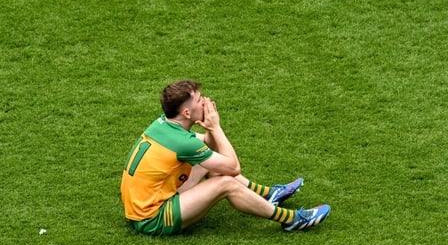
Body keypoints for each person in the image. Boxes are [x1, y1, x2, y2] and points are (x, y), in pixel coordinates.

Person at [120, 80, 330, 236]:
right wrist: (216, 127)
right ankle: (290, 220)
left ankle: (267, 195)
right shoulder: (183, 142)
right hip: (152, 218)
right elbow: (233, 167)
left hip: (145, 203)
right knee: (226, 183)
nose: (205, 102)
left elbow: (206, 145)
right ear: (186, 113)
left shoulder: (163, 125)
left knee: (207, 163)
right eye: (199, 100)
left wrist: (209, 128)